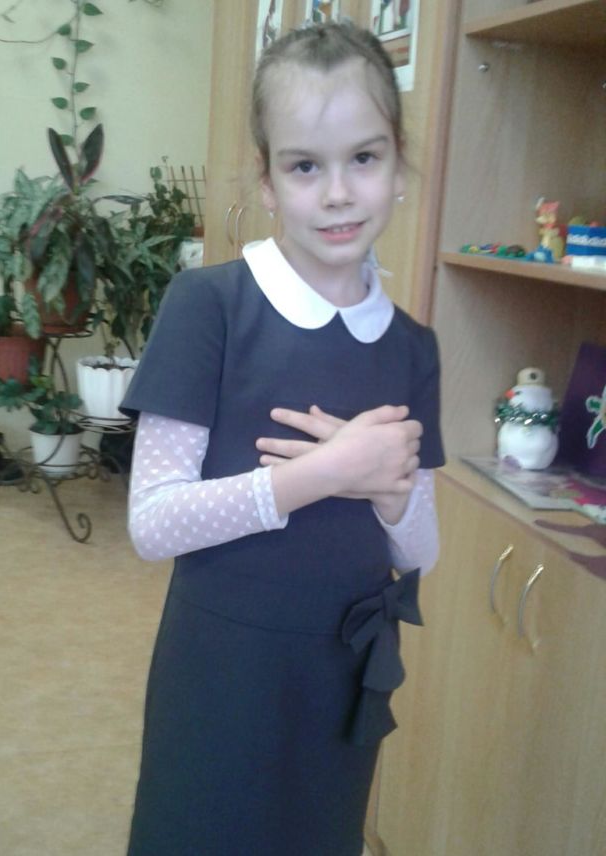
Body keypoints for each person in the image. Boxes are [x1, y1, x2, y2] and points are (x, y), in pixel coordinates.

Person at [120, 20, 444, 856]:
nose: (337, 193)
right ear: (266, 181)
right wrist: (328, 471)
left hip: (341, 676)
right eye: (305, 166)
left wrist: (388, 490)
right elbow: (153, 522)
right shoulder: (210, 306)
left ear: (398, 166)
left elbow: (420, 551)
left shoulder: (413, 347)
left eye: (363, 158)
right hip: (221, 668)